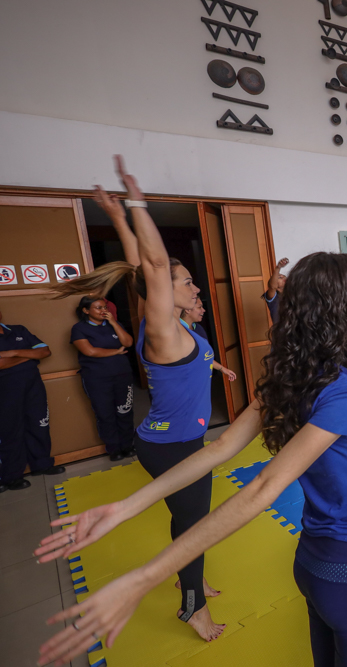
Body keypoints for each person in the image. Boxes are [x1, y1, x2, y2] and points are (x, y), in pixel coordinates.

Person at [37, 252, 347, 667]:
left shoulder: (294, 374)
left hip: (312, 561)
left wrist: (125, 507)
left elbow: (219, 448)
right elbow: (262, 487)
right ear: (345, 306)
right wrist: (144, 577)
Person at [49, 156, 225, 641]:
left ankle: (189, 573)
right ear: (163, 293)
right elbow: (149, 265)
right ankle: (192, 606)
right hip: (174, 447)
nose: (193, 284)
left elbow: (137, 262)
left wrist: (122, 219)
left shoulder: (181, 326)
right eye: (186, 280)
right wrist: (136, 200)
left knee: (187, 518)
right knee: (195, 526)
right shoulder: (164, 329)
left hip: (173, 441)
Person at [0, 309, 63, 492]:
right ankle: (11, 477)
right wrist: (28, 357)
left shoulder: (18, 330)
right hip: (5, 390)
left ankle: (42, 464)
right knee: (10, 430)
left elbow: (45, 351)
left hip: (33, 386)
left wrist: (11, 353)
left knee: (39, 423)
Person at [70, 296, 136, 462]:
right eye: (98, 308)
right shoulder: (79, 328)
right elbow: (90, 351)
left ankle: (127, 445)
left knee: (125, 410)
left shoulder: (114, 324)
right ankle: (114, 448)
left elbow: (127, 342)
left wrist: (114, 323)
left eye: (104, 307)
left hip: (122, 375)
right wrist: (115, 352)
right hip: (97, 378)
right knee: (105, 414)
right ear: (86, 311)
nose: (103, 310)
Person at [181, 298, 238, 382]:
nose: (203, 310)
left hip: (203, 382)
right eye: (199, 307)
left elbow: (204, 356)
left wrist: (222, 369)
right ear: (187, 310)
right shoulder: (177, 332)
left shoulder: (199, 328)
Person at [263, 257, 289, 324]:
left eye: (283, 276)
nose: (283, 277)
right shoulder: (274, 298)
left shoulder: (292, 294)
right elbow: (272, 287)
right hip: (282, 330)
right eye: (279, 277)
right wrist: (278, 267)